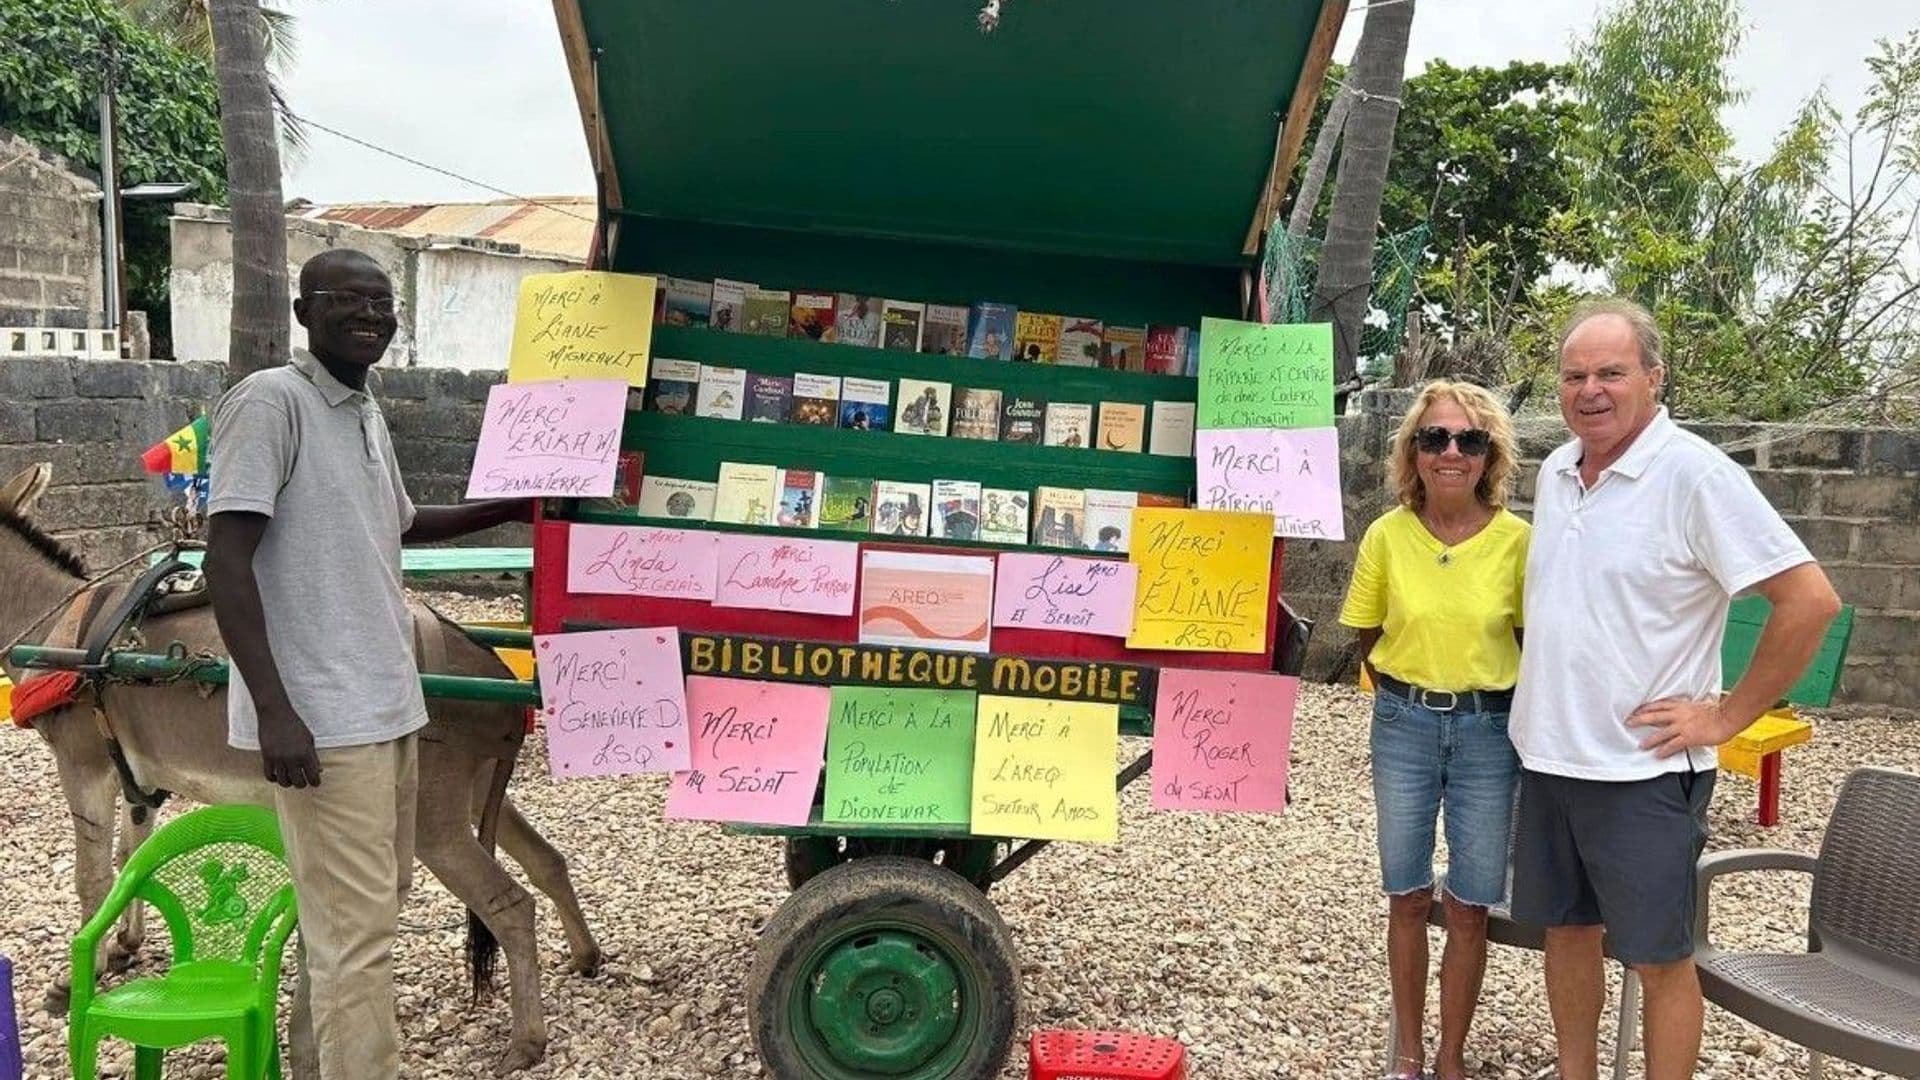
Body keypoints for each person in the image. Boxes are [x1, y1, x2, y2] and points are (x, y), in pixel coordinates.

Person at [205, 249, 530, 1079]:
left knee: (367, 915)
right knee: (359, 939)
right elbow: (227, 561)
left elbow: (405, 525)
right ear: (304, 311)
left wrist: (522, 504)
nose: (371, 317)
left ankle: (317, 1066)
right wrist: (276, 710)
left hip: (389, 708)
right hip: (323, 718)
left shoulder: (362, 410)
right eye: (349, 301)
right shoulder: (271, 402)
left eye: (383, 303)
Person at [1511, 298, 1841, 1080]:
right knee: (1566, 935)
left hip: (1642, 772)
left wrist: (1726, 717)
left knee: (1659, 960)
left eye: (1612, 373)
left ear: (1654, 379)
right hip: (1551, 756)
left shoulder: (1694, 475)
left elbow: (1810, 600)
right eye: (1574, 375)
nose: (1590, 390)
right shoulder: (1559, 470)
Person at [1340, 380, 1530, 1080]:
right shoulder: (1387, 536)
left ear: (1490, 456)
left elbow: (1531, 640)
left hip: (1488, 731)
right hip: (1404, 725)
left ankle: (1451, 1056)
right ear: (1413, 451)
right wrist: (1408, 689)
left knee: (1473, 902)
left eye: (1469, 439)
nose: (1451, 452)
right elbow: (1366, 631)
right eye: (1435, 437)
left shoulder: (1519, 543)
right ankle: (1409, 1054)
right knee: (1408, 893)